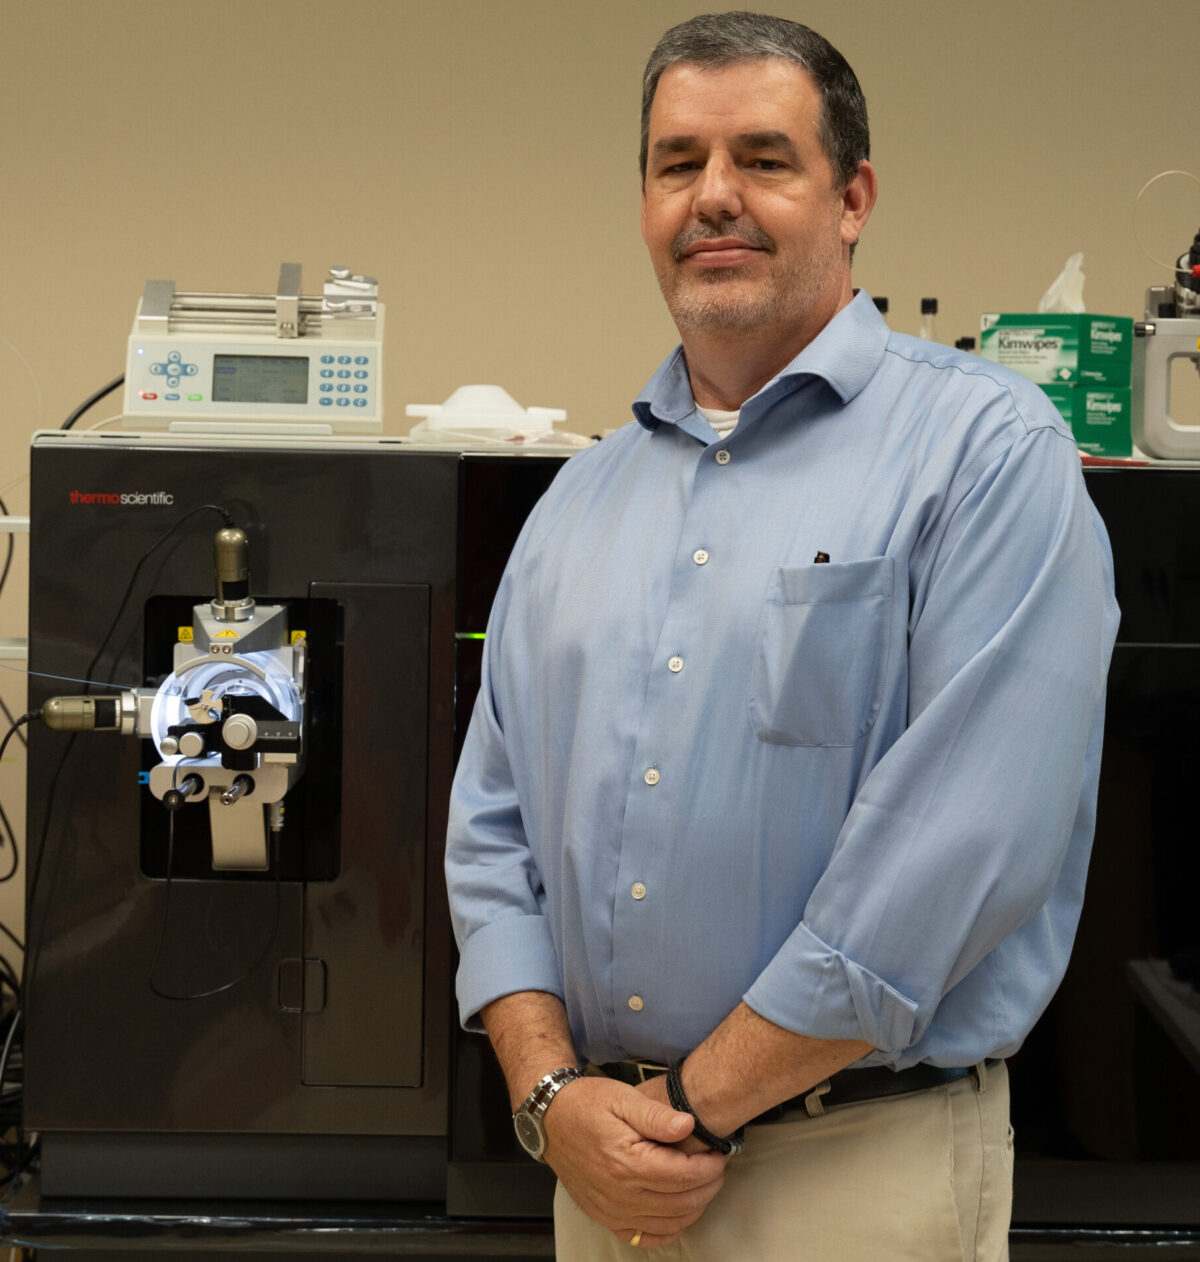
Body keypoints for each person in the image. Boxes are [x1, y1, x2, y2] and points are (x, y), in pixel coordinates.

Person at [445, 11, 1119, 1259]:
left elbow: (959, 851)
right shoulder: (573, 505)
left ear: (852, 195)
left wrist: (694, 1104)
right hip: (599, 1168)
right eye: (675, 163)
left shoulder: (985, 452)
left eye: (762, 158)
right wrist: (549, 1098)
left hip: (859, 1168)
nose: (713, 198)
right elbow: (491, 832)